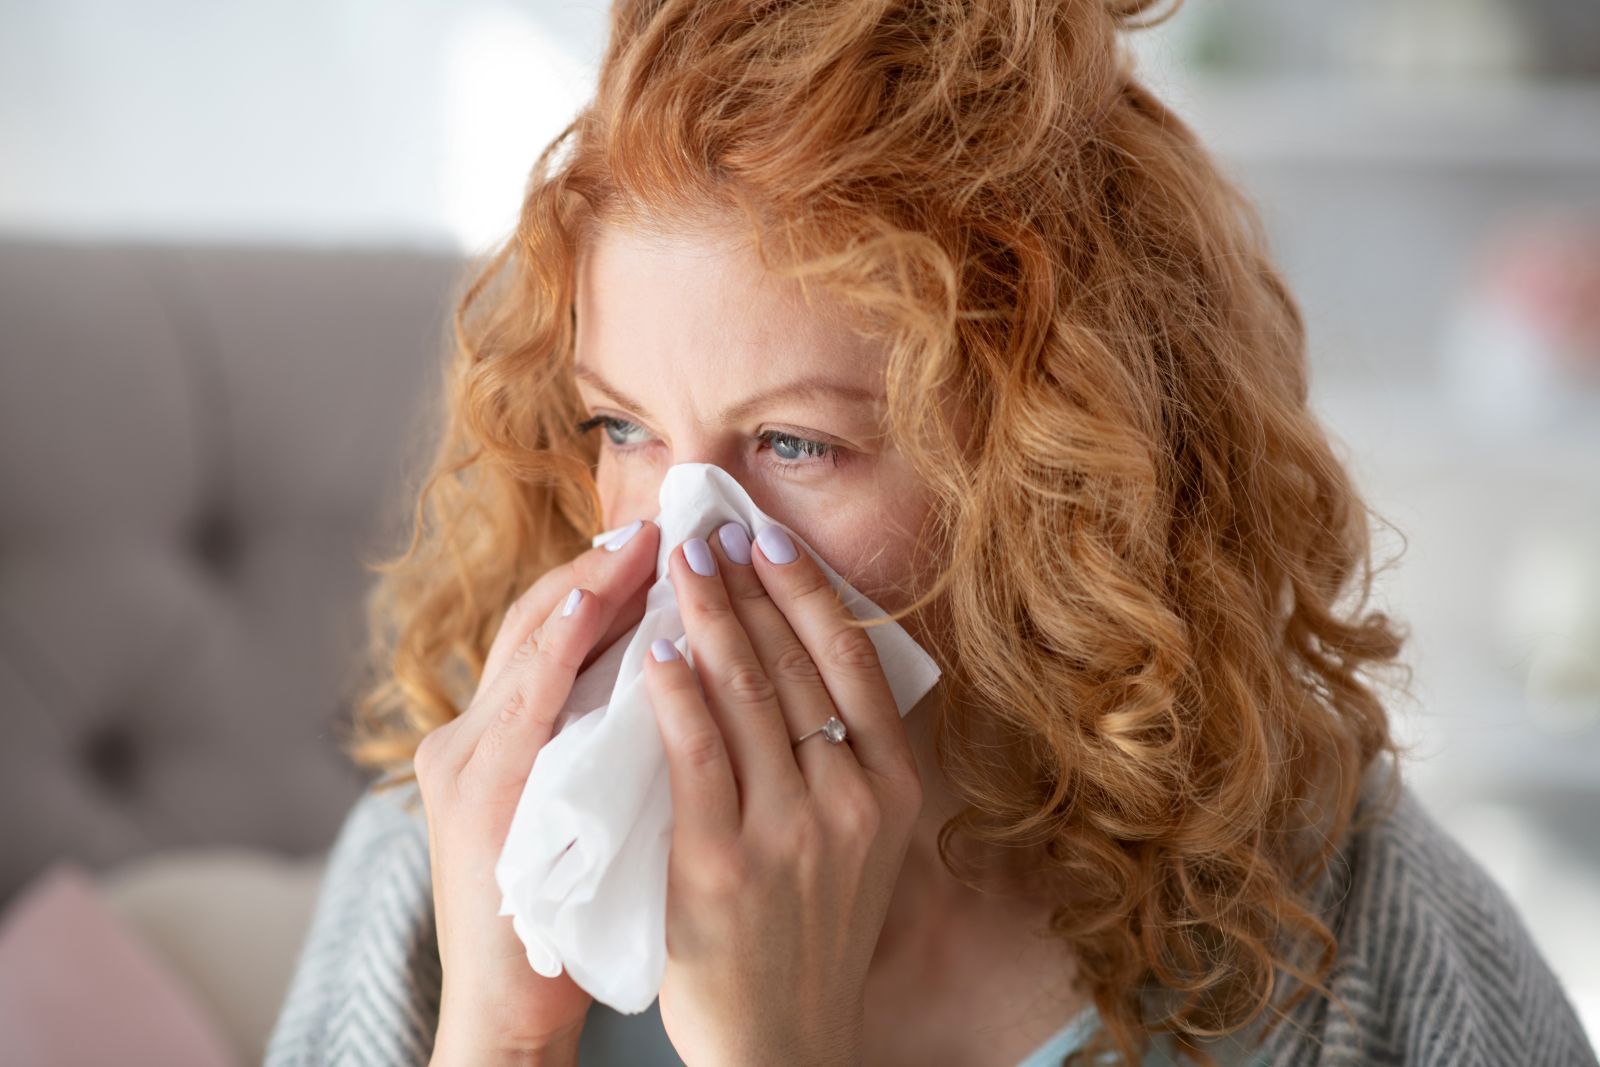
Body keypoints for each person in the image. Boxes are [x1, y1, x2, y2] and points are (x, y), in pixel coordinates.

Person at [265, 0, 1600, 1065]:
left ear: (1048, 477)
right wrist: (499, 1040)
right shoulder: (450, 869)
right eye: (623, 429)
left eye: (796, 445)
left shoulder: (1335, 931)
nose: (685, 542)